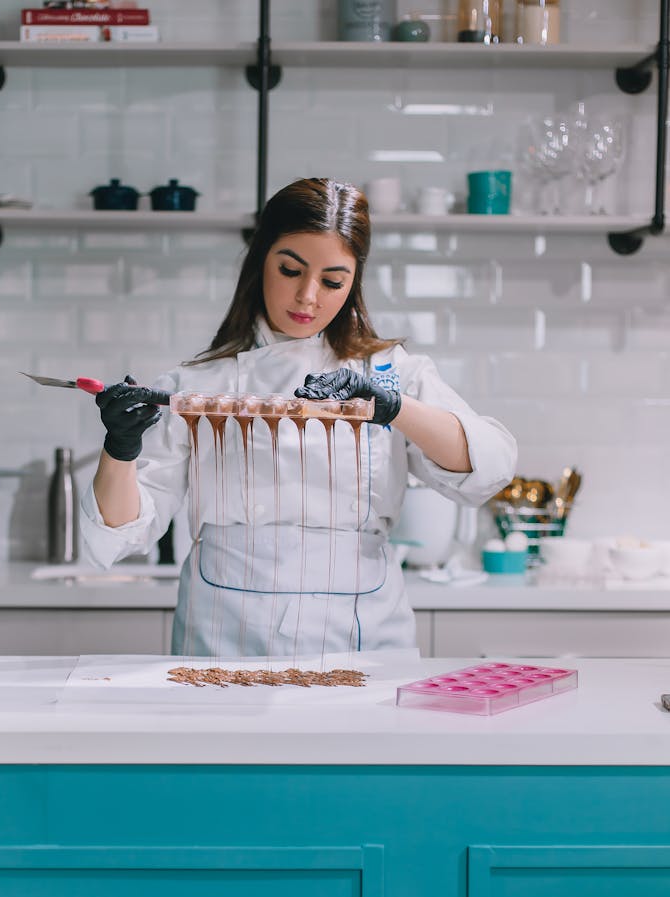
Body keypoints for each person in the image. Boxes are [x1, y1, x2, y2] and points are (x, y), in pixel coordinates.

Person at [80, 177, 517, 656]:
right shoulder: (198, 387)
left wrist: (393, 408)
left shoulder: (391, 374)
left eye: (332, 281)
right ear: (260, 261)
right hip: (227, 637)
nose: (309, 296)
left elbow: (489, 468)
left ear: (353, 283)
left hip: (363, 637)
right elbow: (122, 533)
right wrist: (120, 449)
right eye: (290, 270)